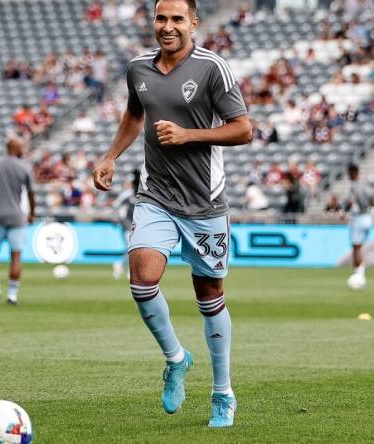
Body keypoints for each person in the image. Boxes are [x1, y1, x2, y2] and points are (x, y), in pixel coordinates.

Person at [92, 0, 252, 428]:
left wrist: (188, 135)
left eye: (177, 19)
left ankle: (223, 393)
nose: (168, 26)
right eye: (161, 18)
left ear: (194, 23)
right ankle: (176, 359)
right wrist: (110, 156)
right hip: (156, 195)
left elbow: (243, 128)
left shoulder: (212, 68)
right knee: (142, 281)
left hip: (204, 203)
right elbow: (133, 113)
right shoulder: (138, 69)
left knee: (209, 297)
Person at [0, 137, 35, 305]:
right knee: (16, 256)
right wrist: (32, 213)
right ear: (16, 148)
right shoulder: (24, 168)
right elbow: (32, 194)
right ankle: (12, 295)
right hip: (17, 217)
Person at [344, 164, 374, 286]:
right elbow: (373, 201)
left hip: (358, 218)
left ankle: (359, 275)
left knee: (356, 247)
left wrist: (344, 211)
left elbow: (349, 202)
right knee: (360, 246)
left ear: (352, 173)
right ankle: (360, 273)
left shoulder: (353, 187)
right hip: (368, 217)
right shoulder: (366, 186)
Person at [112, 170, 141, 280]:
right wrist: (117, 218)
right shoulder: (127, 194)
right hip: (127, 225)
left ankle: (119, 264)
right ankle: (131, 272)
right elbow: (116, 205)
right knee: (131, 249)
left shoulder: (142, 193)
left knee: (134, 249)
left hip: (138, 225)